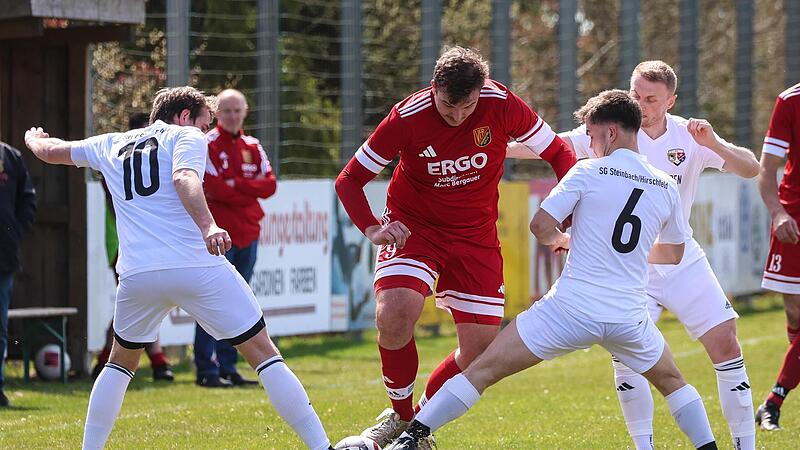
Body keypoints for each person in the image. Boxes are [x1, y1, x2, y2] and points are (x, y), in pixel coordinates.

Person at [386, 89, 718, 450]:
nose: (590, 143)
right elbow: (673, 253)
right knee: (674, 382)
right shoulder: (666, 185)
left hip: (570, 309)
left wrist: (563, 239)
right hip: (628, 315)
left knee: (482, 370)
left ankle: (409, 438)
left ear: (609, 132)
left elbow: (540, 226)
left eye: (590, 135)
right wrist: (618, 250)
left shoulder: (588, 170)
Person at [24, 86, 333, 450]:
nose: (206, 132)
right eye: (205, 123)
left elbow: (54, 151)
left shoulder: (111, 142)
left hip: (138, 275)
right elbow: (184, 177)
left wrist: (33, 141)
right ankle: (321, 447)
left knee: (120, 363)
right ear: (185, 116)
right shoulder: (186, 136)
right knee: (264, 353)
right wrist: (209, 226)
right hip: (194, 265)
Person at [335, 46, 576, 448]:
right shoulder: (406, 117)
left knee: (480, 350)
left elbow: (559, 152)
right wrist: (373, 228)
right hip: (415, 229)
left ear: (481, 91)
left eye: (466, 108)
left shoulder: (502, 103)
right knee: (394, 314)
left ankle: (417, 427)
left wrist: (567, 210)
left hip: (475, 237)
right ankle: (400, 415)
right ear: (434, 87)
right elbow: (349, 179)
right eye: (448, 107)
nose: (457, 116)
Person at [511, 60, 760, 449]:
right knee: (627, 357)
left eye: (651, 99)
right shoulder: (612, 131)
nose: (641, 105)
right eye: (636, 95)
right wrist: (496, 146)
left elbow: (751, 168)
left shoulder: (690, 136)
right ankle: (643, 445)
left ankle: (746, 443)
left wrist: (714, 143)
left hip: (678, 257)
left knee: (726, 340)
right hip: (626, 266)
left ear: (671, 101)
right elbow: (546, 145)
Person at [195, 89, 276, 388]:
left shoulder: (252, 145)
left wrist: (238, 184)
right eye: (226, 111)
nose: (232, 116)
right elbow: (215, 187)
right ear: (218, 114)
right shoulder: (206, 144)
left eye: (237, 110)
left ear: (245, 111)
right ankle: (207, 367)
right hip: (218, 237)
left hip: (248, 234)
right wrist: (246, 188)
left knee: (238, 303)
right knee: (211, 301)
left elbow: (270, 185)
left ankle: (229, 366)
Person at [91, 112, 174, 382]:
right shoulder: (117, 161)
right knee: (139, 303)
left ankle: (110, 360)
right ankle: (151, 361)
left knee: (144, 303)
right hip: (123, 244)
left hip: (146, 243)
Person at [754, 81, 800, 431]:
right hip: (794, 221)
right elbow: (767, 169)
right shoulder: (790, 101)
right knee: (796, 314)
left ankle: (774, 400)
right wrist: (778, 213)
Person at [0, 140, 37, 407]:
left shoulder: (9, 156)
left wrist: (14, 234)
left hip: (3, 258)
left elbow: (28, 200)